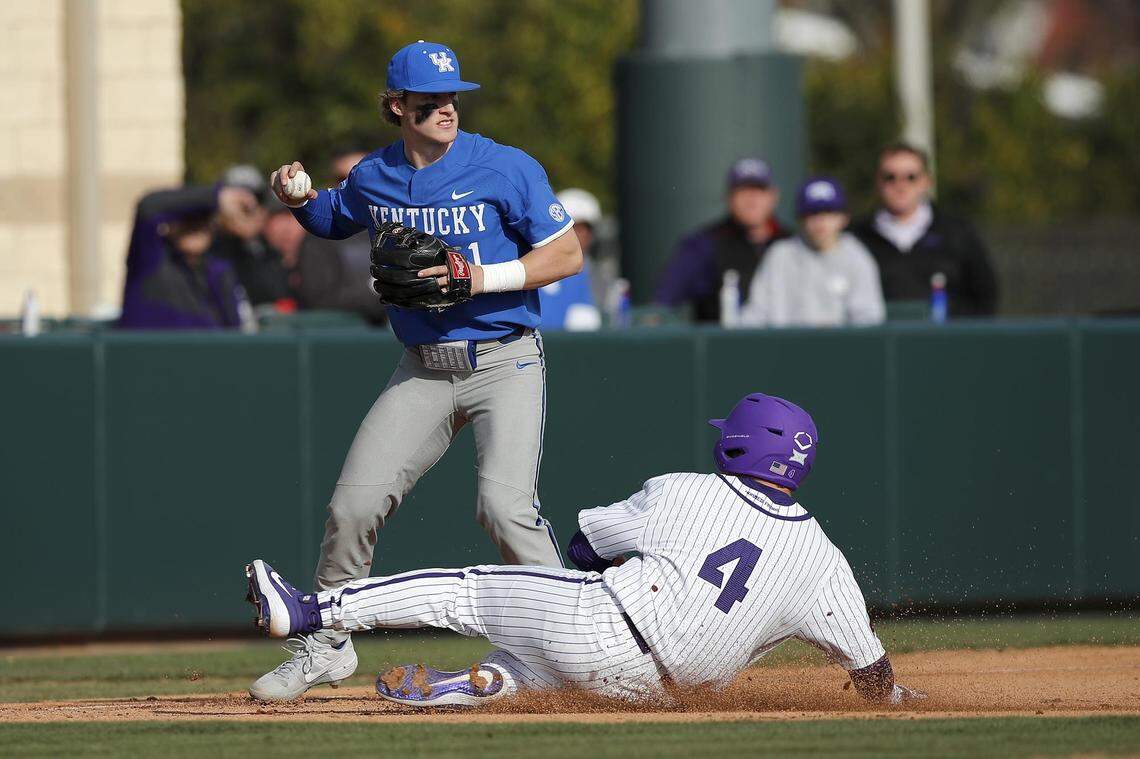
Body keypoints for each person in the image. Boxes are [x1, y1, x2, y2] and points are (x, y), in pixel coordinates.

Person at [251, 40, 583, 701]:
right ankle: (327, 643)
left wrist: (479, 277)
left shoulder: (505, 167)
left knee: (504, 508)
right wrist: (299, 197)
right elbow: (333, 216)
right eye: (430, 100)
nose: (446, 108)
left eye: (453, 96)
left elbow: (566, 253)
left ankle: (572, 638)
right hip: (422, 365)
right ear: (397, 106)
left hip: (504, 356)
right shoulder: (375, 175)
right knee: (352, 506)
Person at [245, 393, 926, 708]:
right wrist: (894, 698)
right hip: (665, 698)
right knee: (533, 662)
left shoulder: (688, 491)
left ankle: (307, 610)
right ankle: (480, 685)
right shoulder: (822, 555)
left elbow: (581, 541)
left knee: (469, 589)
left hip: (606, 625)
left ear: (739, 445)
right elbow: (871, 669)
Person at [849, 143, 998, 316]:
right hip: (881, 342)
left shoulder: (957, 233)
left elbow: (985, 297)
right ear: (877, 181)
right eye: (890, 177)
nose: (900, 185)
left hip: (945, 341)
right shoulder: (856, 238)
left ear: (926, 181)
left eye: (911, 177)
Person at [655, 158, 790, 322]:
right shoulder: (704, 245)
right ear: (729, 197)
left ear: (773, 196)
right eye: (743, 191)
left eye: (759, 191)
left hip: (783, 342)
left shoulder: (790, 244)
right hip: (725, 344)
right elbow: (663, 303)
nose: (752, 200)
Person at [742, 177, 885, 327]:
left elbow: (868, 319)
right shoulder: (780, 256)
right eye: (813, 213)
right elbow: (756, 314)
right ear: (800, 219)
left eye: (828, 213)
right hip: (785, 347)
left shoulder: (857, 257)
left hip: (841, 348)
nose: (821, 221)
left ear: (844, 218)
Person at [118, 185, 254, 329]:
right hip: (152, 350)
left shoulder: (219, 272)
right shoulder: (149, 260)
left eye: (203, 218)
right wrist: (217, 196)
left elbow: (234, 332)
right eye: (186, 218)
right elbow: (148, 208)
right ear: (169, 225)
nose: (194, 225)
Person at [289, 150, 388, 324]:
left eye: (360, 177)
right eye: (342, 178)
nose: (350, 184)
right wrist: (383, 291)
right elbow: (319, 298)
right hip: (348, 339)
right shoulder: (321, 234)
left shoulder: (393, 223)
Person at [209, 165, 294, 308]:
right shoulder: (203, 249)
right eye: (236, 201)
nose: (249, 205)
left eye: (257, 198)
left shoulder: (269, 252)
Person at [537, 188, 603, 331]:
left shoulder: (600, 275)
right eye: (573, 228)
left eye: (586, 229)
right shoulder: (539, 269)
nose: (581, 235)